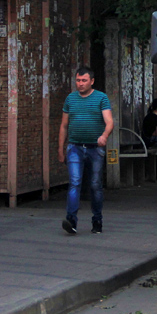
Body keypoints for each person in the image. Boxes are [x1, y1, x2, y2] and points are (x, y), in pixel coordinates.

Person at [58, 66, 113, 235]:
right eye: (78, 80)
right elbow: (64, 125)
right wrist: (60, 149)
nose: (80, 84)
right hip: (74, 147)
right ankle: (71, 221)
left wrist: (104, 136)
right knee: (75, 182)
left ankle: (97, 220)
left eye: (84, 80)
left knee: (95, 185)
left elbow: (109, 121)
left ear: (92, 81)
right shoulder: (70, 99)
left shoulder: (101, 98)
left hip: (95, 149)